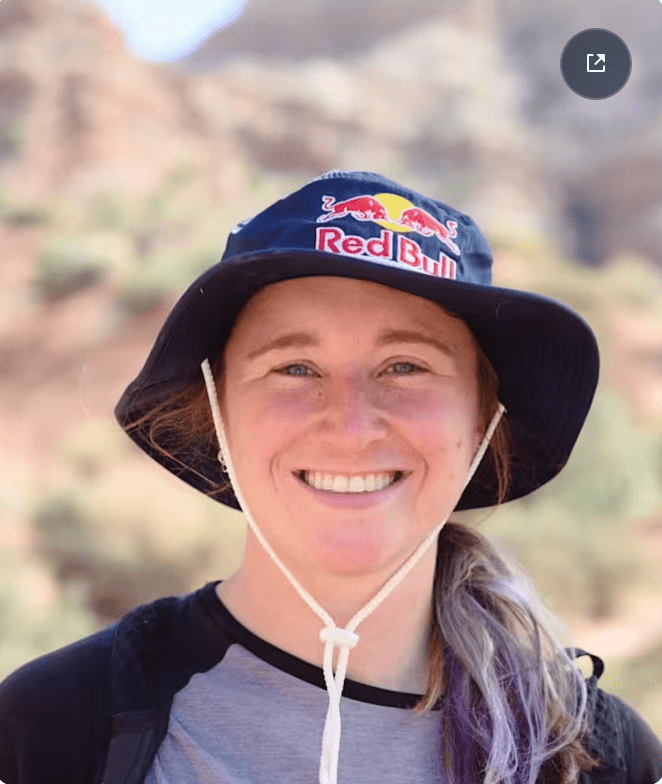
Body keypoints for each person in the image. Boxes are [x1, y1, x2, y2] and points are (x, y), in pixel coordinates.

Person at [1, 169, 661, 784]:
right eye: (294, 368)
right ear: (218, 412)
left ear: (483, 419)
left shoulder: (599, 757)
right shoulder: (50, 725)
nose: (351, 426)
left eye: (405, 366)